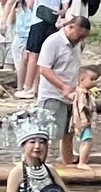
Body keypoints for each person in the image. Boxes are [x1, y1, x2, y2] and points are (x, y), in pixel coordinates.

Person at [29, 10, 93, 152]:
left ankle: (67, 165)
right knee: (48, 136)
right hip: (52, 96)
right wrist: (63, 86)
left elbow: (73, 67)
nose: (80, 39)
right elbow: (44, 69)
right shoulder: (53, 42)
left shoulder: (76, 44)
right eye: (79, 35)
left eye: (84, 37)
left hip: (71, 96)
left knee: (68, 134)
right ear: (70, 27)